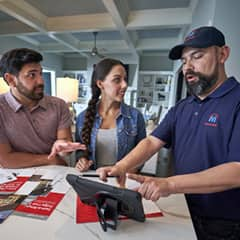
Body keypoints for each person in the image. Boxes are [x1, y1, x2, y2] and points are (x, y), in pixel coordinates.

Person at [97, 26, 240, 239]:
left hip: (224, 223)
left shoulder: (236, 101)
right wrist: (121, 167)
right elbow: (151, 142)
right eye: (184, 61)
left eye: (197, 56)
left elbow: (237, 170)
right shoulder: (182, 107)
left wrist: (168, 184)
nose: (188, 67)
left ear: (222, 54)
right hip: (183, 210)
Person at [0, 48, 85, 168]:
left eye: (40, 73)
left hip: (54, 175)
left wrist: (62, 146)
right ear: (10, 80)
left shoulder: (59, 105)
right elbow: (6, 159)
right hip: (16, 178)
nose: (40, 81)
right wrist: (50, 159)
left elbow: (65, 147)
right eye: (31, 75)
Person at [75, 58, 146, 172]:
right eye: (117, 80)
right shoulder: (82, 118)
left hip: (122, 182)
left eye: (125, 79)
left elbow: (143, 153)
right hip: (93, 181)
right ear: (100, 84)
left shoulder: (135, 117)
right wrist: (82, 160)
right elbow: (80, 150)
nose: (125, 85)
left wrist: (128, 171)